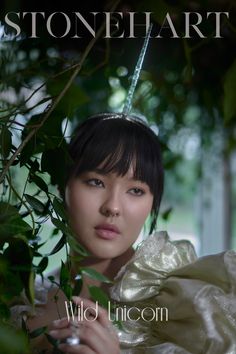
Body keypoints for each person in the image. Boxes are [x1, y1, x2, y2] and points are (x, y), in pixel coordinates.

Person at [13, 113, 236, 354]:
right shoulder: (22, 304)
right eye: (96, 182)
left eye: (136, 190)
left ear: (152, 203)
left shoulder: (181, 301)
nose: (113, 207)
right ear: (62, 187)